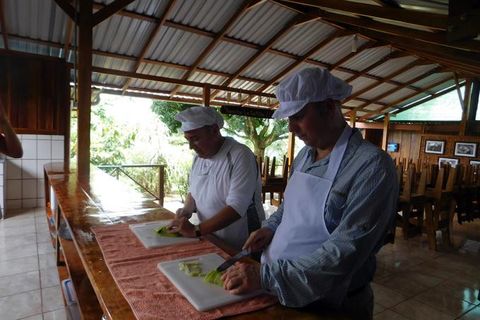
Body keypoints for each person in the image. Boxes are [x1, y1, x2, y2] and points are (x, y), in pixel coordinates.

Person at [221, 68, 398, 319]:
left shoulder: (371, 166)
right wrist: (269, 228)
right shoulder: (305, 155)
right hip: (276, 289)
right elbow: (289, 208)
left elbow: (347, 251)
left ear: (328, 107)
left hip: (330, 304)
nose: (292, 127)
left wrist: (266, 276)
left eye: (298, 116)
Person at [168, 106, 265, 250]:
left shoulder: (240, 155)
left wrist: (196, 230)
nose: (190, 146)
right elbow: (193, 191)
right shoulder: (198, 158)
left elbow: (236, 208)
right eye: (188, 140)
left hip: (243, 241)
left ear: (214, 130)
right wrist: (186, 211)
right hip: (210, 236)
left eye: (195, 139)